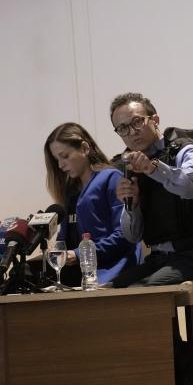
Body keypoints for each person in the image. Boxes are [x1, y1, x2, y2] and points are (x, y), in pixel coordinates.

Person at [98, 92, 193, 385]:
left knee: (143, 296)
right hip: (159, 257)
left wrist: (154, 169)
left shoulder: (185, 150)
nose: (131, 132)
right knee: (109, 294)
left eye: (136, 122)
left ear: (154, 120)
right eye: (122, 128)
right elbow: (132, 234)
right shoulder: (129, 166)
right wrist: (132, 204)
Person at [43, 122, 140, 287]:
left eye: (65, 156)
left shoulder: (112, 179)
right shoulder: (70, 192)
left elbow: (125, 235)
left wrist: (79, 254)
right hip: (77, 280)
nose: (60, 165)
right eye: (56, 159)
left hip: (112, 276)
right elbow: (65, 239)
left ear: (84, 148)